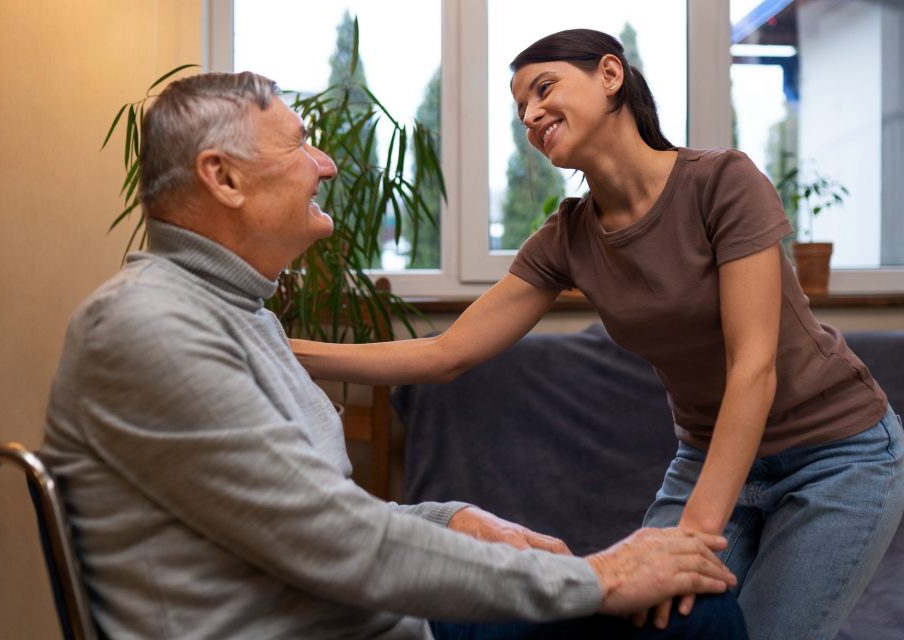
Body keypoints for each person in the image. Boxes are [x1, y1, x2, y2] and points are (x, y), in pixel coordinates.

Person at [40, 71, 746, 640]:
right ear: (223, 178)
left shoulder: (237, 314)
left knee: (689, 607)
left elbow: (312, 519)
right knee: (693, 617)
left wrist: (449, 518)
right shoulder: (150, 325)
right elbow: (336, 543)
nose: (326, 165)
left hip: (373, 619)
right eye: (301, 145)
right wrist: (599, 578)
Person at [291, 29, 904, 640]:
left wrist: (690, 537)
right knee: (647, 627)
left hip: (835, 454)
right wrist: (281, 347)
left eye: (544, 88)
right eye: (521, 109)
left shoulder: (722, 182)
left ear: (610, 75)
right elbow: (445, 353)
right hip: (709, 455)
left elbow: (754, 368)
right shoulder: (567, 238)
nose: (530, 116)